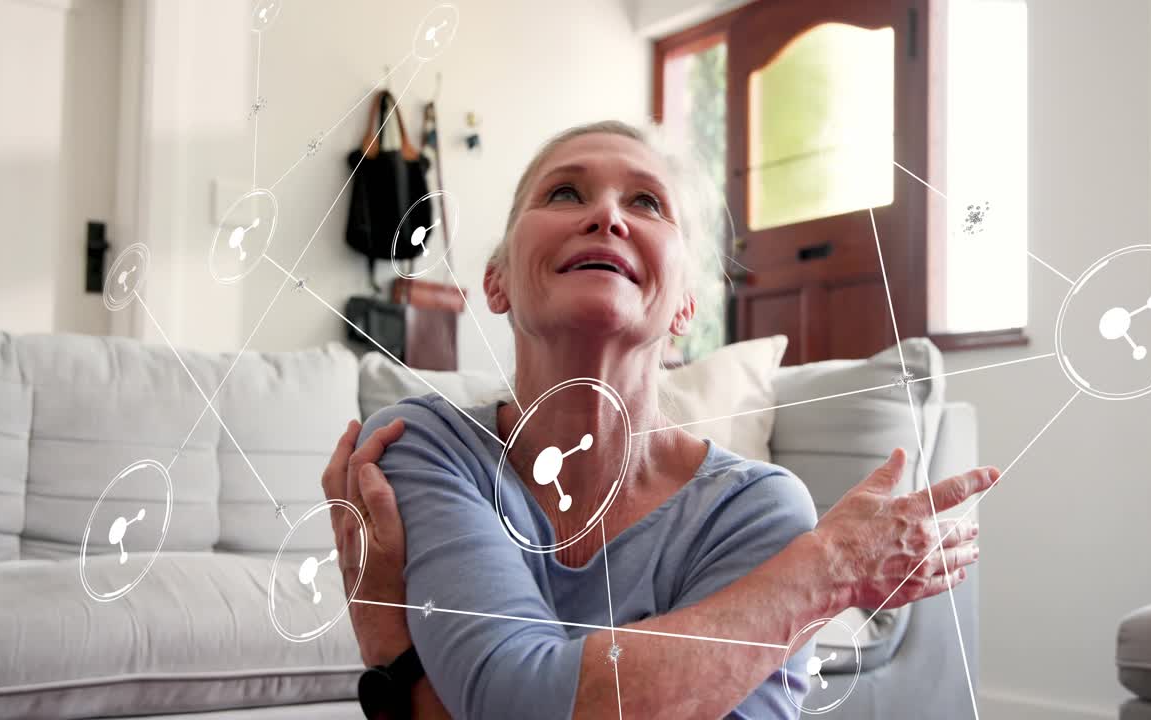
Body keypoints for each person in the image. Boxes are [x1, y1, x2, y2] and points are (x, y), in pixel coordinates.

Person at [320, 120, 995, 719]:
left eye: (645, 202)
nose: (607, 216)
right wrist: (823, 573)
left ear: (684, 308)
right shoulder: (425, 443)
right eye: (564, 193)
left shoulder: (757, 508)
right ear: (496, 282)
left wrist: (393, 656)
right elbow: (516, 699)